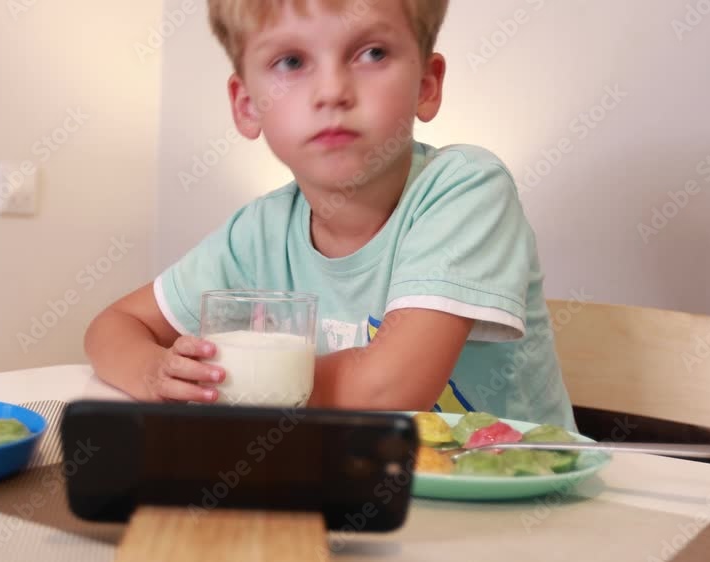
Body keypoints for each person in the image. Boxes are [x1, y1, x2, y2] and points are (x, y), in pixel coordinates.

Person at [84, 0, 577, 430]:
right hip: (362, 491)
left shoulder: (466, 188)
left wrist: (235, 383)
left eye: (372, 53)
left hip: (524, 495)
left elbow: (390, 389)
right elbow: (113, 326)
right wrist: (155, 372)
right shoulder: (260, 232)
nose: (332, 91)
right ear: (248, 105)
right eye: (292, 61)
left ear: (426, 85)